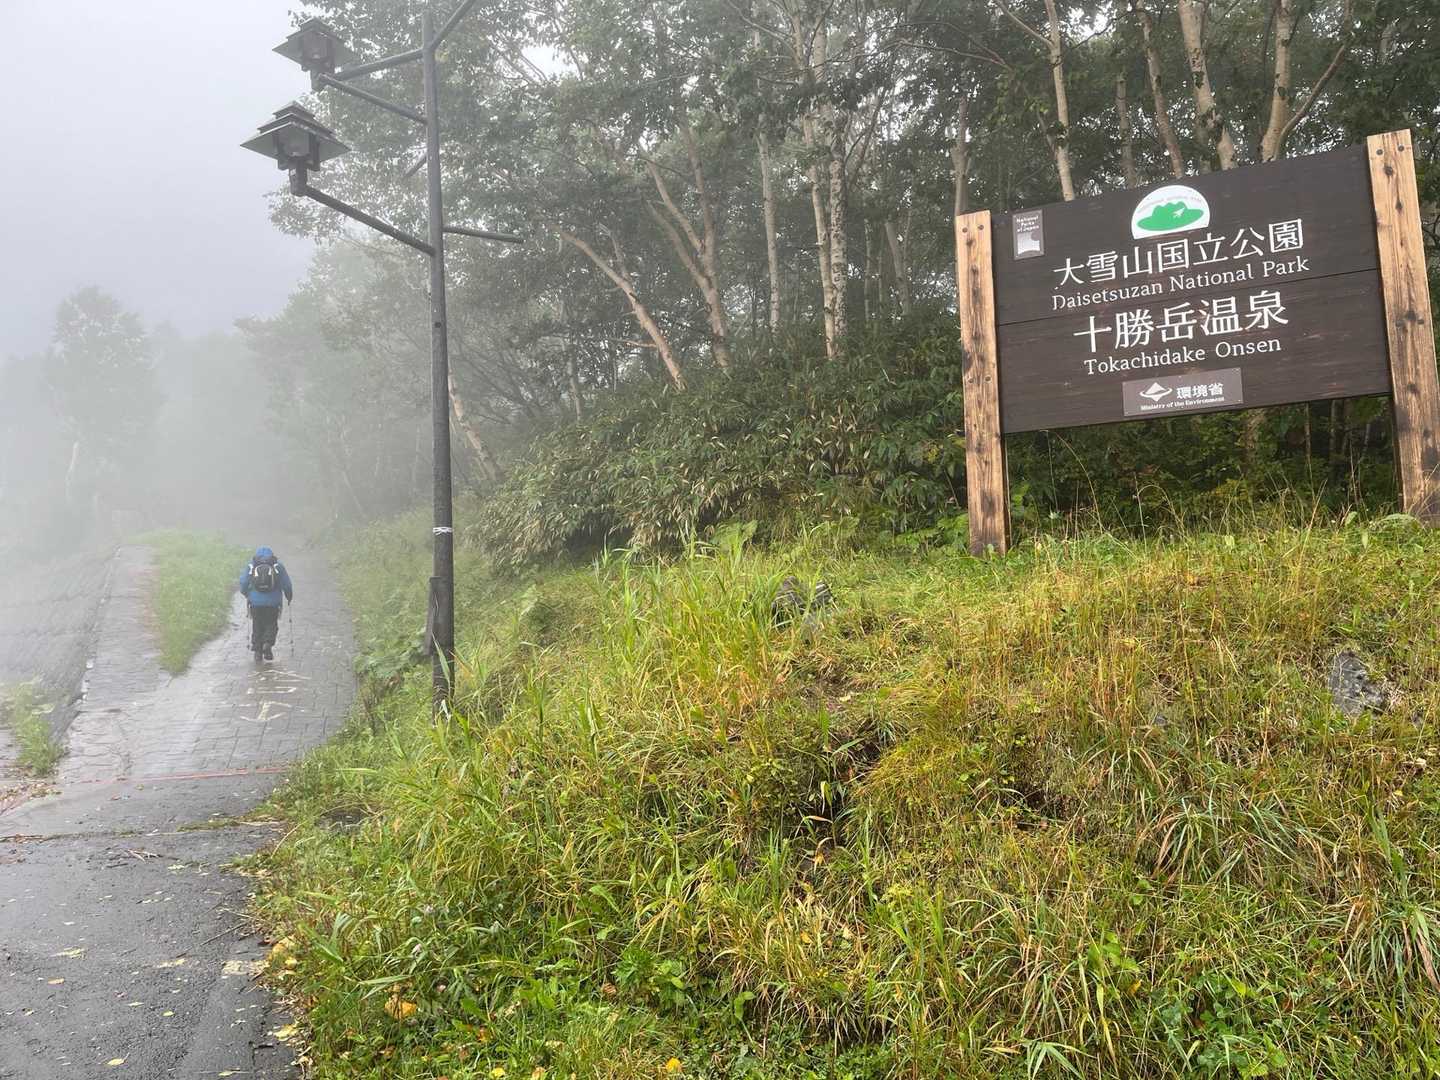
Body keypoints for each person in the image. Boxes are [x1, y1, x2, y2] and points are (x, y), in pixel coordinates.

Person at [238, 546, 294, 661]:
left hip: (255, 603)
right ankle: (267, 644)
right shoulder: (278, 566)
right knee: (271, 624)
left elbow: (243, 582)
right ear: (271, 555)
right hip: (273, 603)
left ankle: (258, 652)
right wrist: (289, 596)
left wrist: (246, 593)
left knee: (257, 625)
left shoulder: (251, 565)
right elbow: (287, 584)